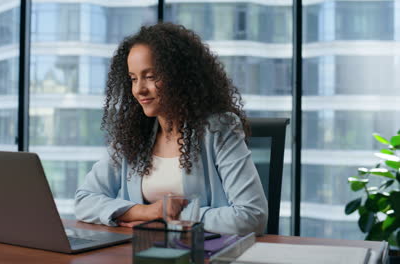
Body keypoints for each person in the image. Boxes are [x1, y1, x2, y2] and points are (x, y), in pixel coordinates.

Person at [74, 23, 268, 236]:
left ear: (179, 76)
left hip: (202, 254)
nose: (139, 89)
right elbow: (84, 200)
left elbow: (252, 216)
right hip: (142, 251)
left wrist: (172, 218)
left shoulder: (218, 129)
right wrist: (145, 212)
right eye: (133, 78)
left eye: (150, 76)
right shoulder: (135, 135)